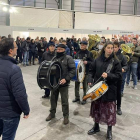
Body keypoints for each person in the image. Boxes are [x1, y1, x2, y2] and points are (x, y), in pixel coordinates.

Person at [87, 42, 122, 140]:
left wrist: (109, 75)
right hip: (98, 89)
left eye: (112, 48)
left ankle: (109, 131)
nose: (110, 50)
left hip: (109, 90)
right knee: (97, 108)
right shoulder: (97, 60)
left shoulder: (115, 62)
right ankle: (96, 126)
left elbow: (119, 76)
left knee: (109, 111)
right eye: (108, 48)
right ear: (104, 48)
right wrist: (90, 81)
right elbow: (91, 71)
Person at [0, 38, 30, 140]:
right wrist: (26, 110)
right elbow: (20, 94)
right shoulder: (14, 69)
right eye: (16, 47)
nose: (17, 49)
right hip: (10, 114)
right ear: (10, 50)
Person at [46, 44, 76, 125]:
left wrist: (66, 79)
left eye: (60, 49)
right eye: (57, 49)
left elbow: (73, 70)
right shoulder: (54, 58)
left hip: (64, 84)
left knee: (64, 101)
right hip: (55, 83)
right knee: (53, 99)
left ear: (64, 50)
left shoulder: (68, 58)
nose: (58, 51)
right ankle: (52, 113)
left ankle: (66, 116)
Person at [114, 41, 127, 115]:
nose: (114, 49)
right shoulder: (110, 55)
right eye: (113, 47)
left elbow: (126, 65)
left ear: (118, 48)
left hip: (118, 78)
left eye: (115, 47)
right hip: (111, 77)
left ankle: (118, 107)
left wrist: (123, 69)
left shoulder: (122, 56)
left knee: (118, 93)